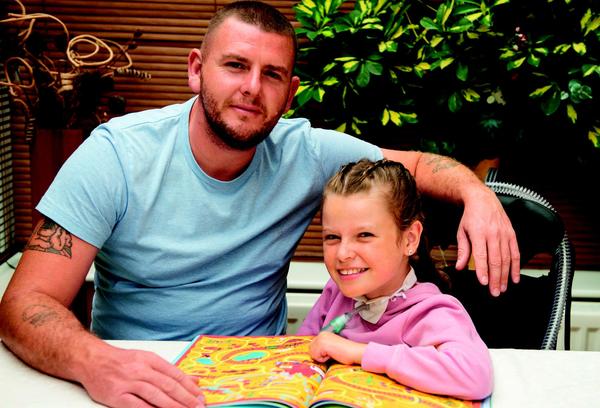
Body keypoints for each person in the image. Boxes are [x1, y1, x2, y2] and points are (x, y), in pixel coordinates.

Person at [0, 1, 514, 407]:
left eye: (271, 75)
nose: (251, 88)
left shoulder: (305, 152)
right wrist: (97, 363)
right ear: (197, 70)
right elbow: (25, 304)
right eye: (235, 65)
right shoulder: (115, 156)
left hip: (266, 382)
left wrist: (477, 192)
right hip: (137, 379)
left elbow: (418, 167)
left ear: (289, 93)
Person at [297, 159, 493, 400]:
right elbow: (301, 349)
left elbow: (475, 377)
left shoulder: (430, 312)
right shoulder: (335, 294)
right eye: (332, 237)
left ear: (410, 239)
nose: (343, 253)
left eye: (364, 235)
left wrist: (360, 353)